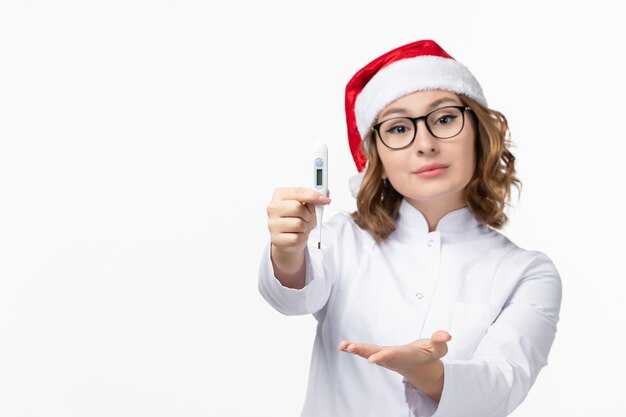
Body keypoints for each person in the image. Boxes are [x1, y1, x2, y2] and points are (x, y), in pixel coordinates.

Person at [258, 39, 562, 417]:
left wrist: (431, 375)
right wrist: (287, 251)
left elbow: (502, 382)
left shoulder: (528, 273)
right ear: (376, 156)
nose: (425, 144)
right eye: (399, 128)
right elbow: (294, 297)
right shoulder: (339, 240)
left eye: (445, 119)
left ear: (480, 133)